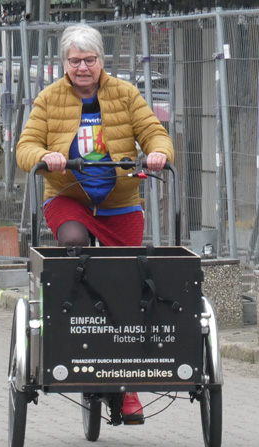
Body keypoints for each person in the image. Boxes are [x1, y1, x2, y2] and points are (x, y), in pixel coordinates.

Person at [16, 24, 174, 422]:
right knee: (74, 247)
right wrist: (44, 155)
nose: (82, 67)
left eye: (89, 60)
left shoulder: (124, 94)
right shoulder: (50, 98)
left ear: (102, 61)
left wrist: (156, 153)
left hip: (120, 205)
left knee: (131, 287)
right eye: (74, 61)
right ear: (64, 63)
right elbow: (25, 146)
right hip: (69, 199)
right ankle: (76, 351)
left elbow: (155, 133)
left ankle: (129, 389)